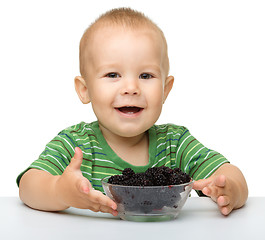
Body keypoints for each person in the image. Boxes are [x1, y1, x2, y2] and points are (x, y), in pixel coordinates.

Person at [17, 7, 248, 217]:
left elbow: (229, 173)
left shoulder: (176, 144)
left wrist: (230, 188)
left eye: (145, 76)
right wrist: (61, 192)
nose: (131, 88)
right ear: (85, 90)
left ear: (166, 89)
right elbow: (28, 186)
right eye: (113, 75)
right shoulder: (75, 144)